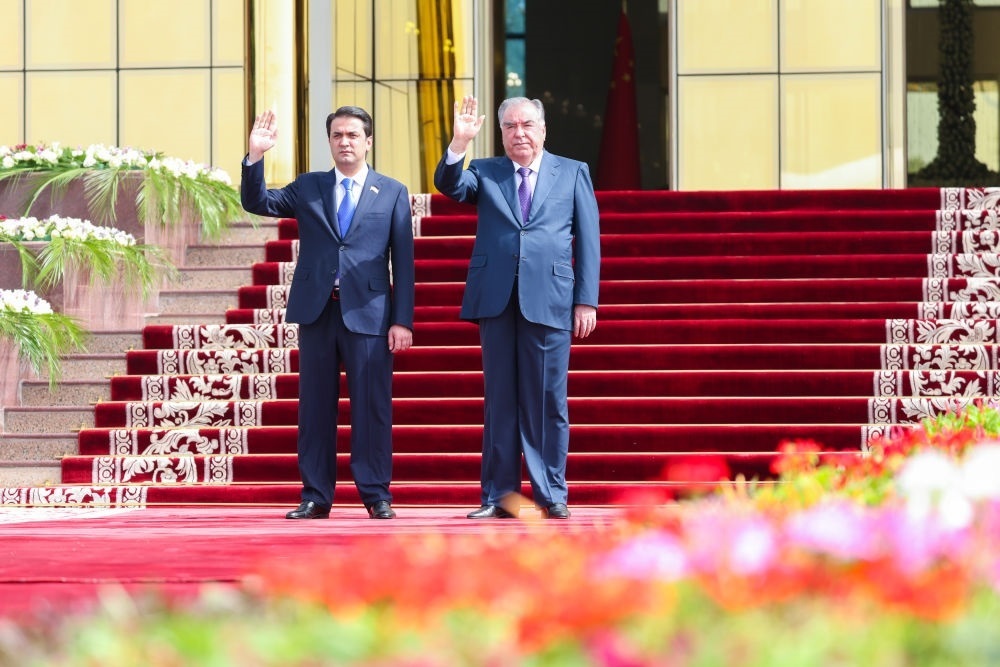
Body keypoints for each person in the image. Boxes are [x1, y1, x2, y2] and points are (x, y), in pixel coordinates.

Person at [241, 106, 415, 520]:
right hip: (317, 312)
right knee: (315, 408)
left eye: (353, 135)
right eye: (337, 135)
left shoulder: (392, 191)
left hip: (370, 314)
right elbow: (258, 201)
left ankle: (376, 494)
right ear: (330, 142)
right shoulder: (309, 187)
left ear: (368, 141)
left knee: (372, 408)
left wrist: (402, 320)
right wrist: (255, 156)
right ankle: (316, 495)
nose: (345, 142)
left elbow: (404, 262)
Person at [434, 95, 600, 519]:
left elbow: (588, 239)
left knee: (547, 400)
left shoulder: (572, 172)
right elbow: (450, 186)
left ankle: (551, 494)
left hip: (550, 298)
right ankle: (500, 497)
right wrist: (458, 144)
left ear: (543, 129)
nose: (519, 133)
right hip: (497, 299)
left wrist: (586, 300)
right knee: (500, 402)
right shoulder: (484, 171)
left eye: (527, 124)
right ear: (501, 133)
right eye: (509, 126)